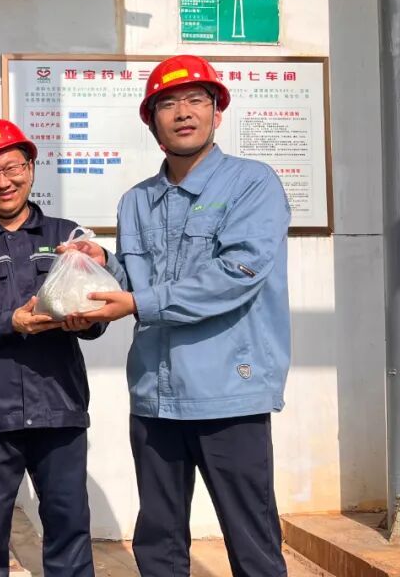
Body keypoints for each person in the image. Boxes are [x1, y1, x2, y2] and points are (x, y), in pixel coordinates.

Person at [79, 54, 291, 577]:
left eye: (196, 100)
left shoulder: (252, 183)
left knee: (251, 537)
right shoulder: (136, 201)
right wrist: (101, 265)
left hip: (228, 391)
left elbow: (237, 274)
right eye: (168, 104)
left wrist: (138, 303)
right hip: (154, 394)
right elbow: (137, 280)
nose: (183, 113)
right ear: (152, 123)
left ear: (217, 112)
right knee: (159, 540)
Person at [0, 119, 126, 576]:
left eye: (12, 167)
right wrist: (10, 322)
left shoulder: (67, 239)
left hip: (59, 405)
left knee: (68, 524)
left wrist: (87, 320)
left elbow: (96, 314)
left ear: (30, 168)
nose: (3, 182)